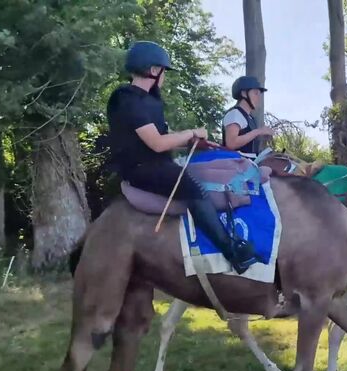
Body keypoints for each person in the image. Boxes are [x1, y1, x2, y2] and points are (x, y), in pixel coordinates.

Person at [106, 41, 258, 273]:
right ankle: (233, 253)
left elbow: (164, 139)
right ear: (154, 70)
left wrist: (194, 143)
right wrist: (191, 132)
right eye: (163, 70)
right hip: (141, 168)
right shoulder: (127, 99)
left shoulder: (150, 101)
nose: (164, 76)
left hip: (157, 162)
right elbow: (156, 144)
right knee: (193, 188)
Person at [222, 76, 274, 157]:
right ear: (244, 93)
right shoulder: (235, 114)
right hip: (235, 164)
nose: (259, 97)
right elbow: (231, 143)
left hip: (248, 163)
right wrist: (258, 131)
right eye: (256, 93)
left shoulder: (250, 118)